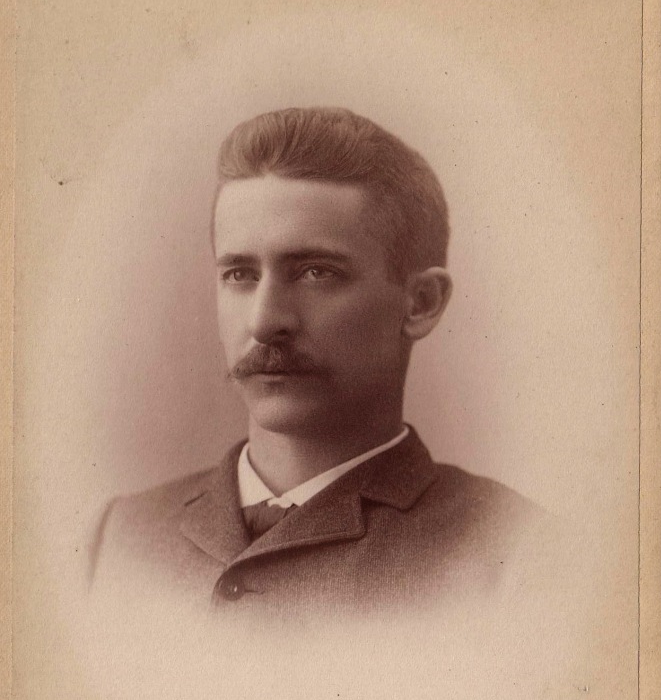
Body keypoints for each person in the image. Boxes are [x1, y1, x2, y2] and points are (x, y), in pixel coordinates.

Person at [92, 106, 540, 622]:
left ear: (420, 303)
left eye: (315, 272)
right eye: (239, 274)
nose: (264, 322)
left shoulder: (517, 558)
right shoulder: (119, 538)